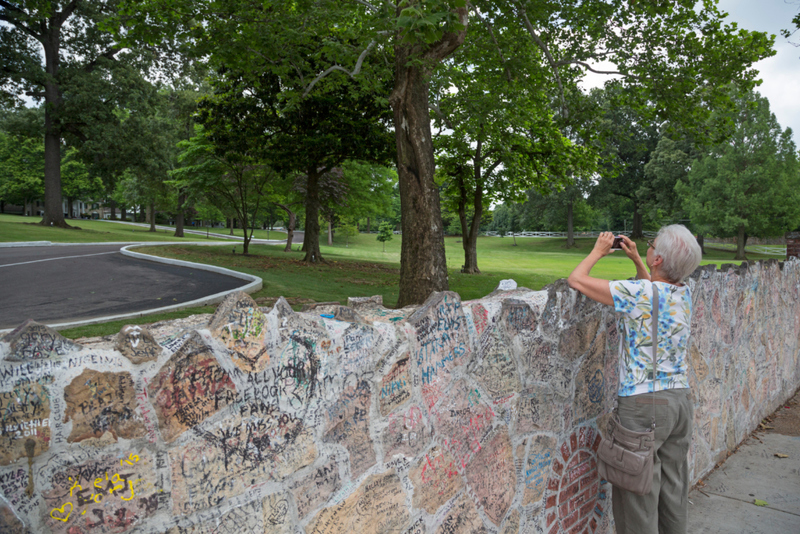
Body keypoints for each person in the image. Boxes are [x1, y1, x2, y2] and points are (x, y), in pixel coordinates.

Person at [567, 225, 702, 534]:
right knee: (673, 488)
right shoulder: (683, 292)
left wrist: (598, 252)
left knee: (636, 497)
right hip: (680, 403)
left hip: (644, 407)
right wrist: (639, 261)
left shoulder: (638, 294)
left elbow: (576, 280)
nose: (648, 247)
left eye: (651, 246)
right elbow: (651, 291)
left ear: (659, 259)